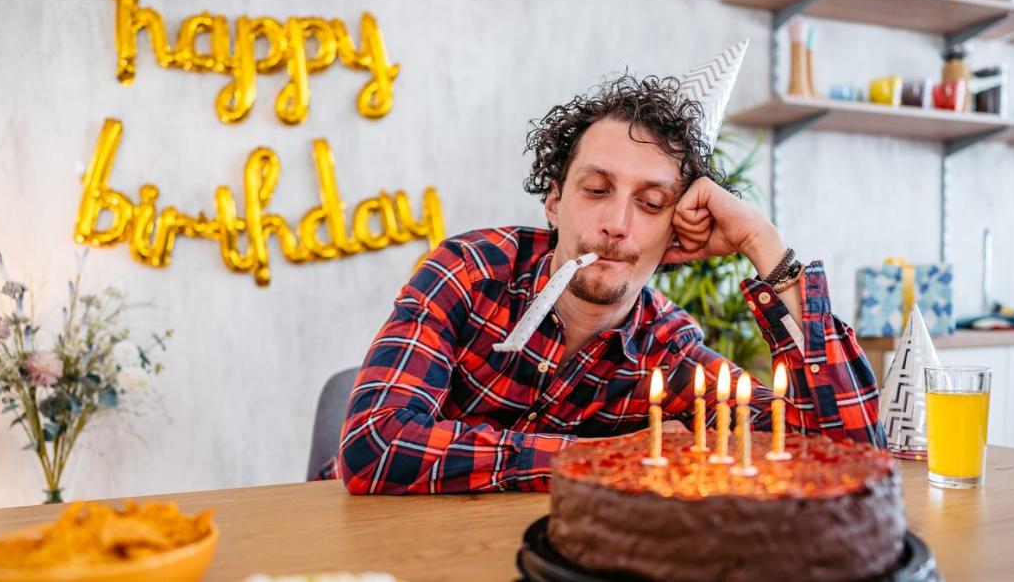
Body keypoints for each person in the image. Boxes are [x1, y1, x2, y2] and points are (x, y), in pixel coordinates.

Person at [317, 72, 884, 494]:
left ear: (677, 234)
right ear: (555, 202)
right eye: (596, 190)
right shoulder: (469, 270)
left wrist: (766, 246)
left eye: (651, 202)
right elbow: (377, 447)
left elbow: (847, 456)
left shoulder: (669, 351)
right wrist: (608, 458)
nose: (618, 223)